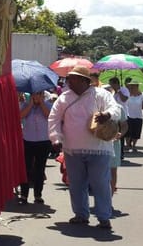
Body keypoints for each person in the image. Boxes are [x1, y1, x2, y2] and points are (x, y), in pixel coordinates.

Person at [48, 66, 119, 230]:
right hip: (72, 149)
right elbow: (54, 119)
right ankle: (81, 214)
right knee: (77, 184)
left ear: (84, 81)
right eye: (69, 78)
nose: (70, 81)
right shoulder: (64, 98)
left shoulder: (101, 94)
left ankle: (103, 217)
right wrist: (56, 138)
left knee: (100, 183)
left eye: (74, 78)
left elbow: (116, 108)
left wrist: (107, 115)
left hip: (99, 148)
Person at [18, 91, 53, 204]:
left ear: (43, 95)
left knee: (40, 168)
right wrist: (31, 104)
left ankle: (38, 194)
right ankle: (24, 194)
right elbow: (20, 116)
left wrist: (41, 103)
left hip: (43, 141)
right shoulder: (25, 104)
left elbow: (49, 116)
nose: (36, 96)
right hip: (28, 140)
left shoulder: (48, 104)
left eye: (39, 94)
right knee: (26, 168)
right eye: (34, 94)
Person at [124, 81, 143, 153]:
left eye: (133, 86)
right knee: (128, 133)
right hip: (128, 116)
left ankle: (134, 145)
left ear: (137, 87)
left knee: (136, 133)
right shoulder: (127, 95)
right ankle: (128, 145)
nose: (131, 88)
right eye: (130, 86)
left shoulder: (142, 95)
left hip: (138, 116)